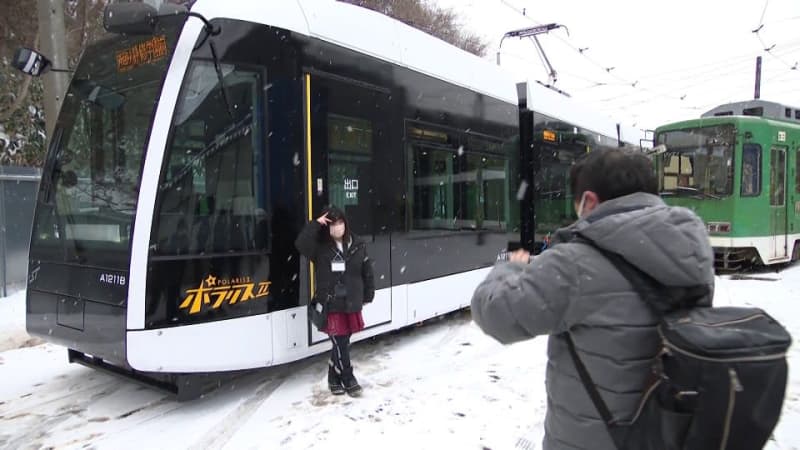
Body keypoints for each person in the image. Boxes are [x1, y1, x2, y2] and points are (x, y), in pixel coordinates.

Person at [470, 149, 715, 450]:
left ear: (588, 202)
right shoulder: (692, 247)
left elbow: (495, 313)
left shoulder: (574, 262)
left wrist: (510, 267)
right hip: (667, 432)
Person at [295, 206, 374, 397]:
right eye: (333, 224)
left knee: (343, 341)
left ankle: (332, 376)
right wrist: (316, 224)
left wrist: (368, 294)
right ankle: (348, 376)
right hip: (331, 302)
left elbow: (367, 271)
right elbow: (301, 244)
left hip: (351, 300)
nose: (337, 227)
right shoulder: (320, 248)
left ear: (345, 224)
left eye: (340, 223)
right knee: (339, 341)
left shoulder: (357, 244)